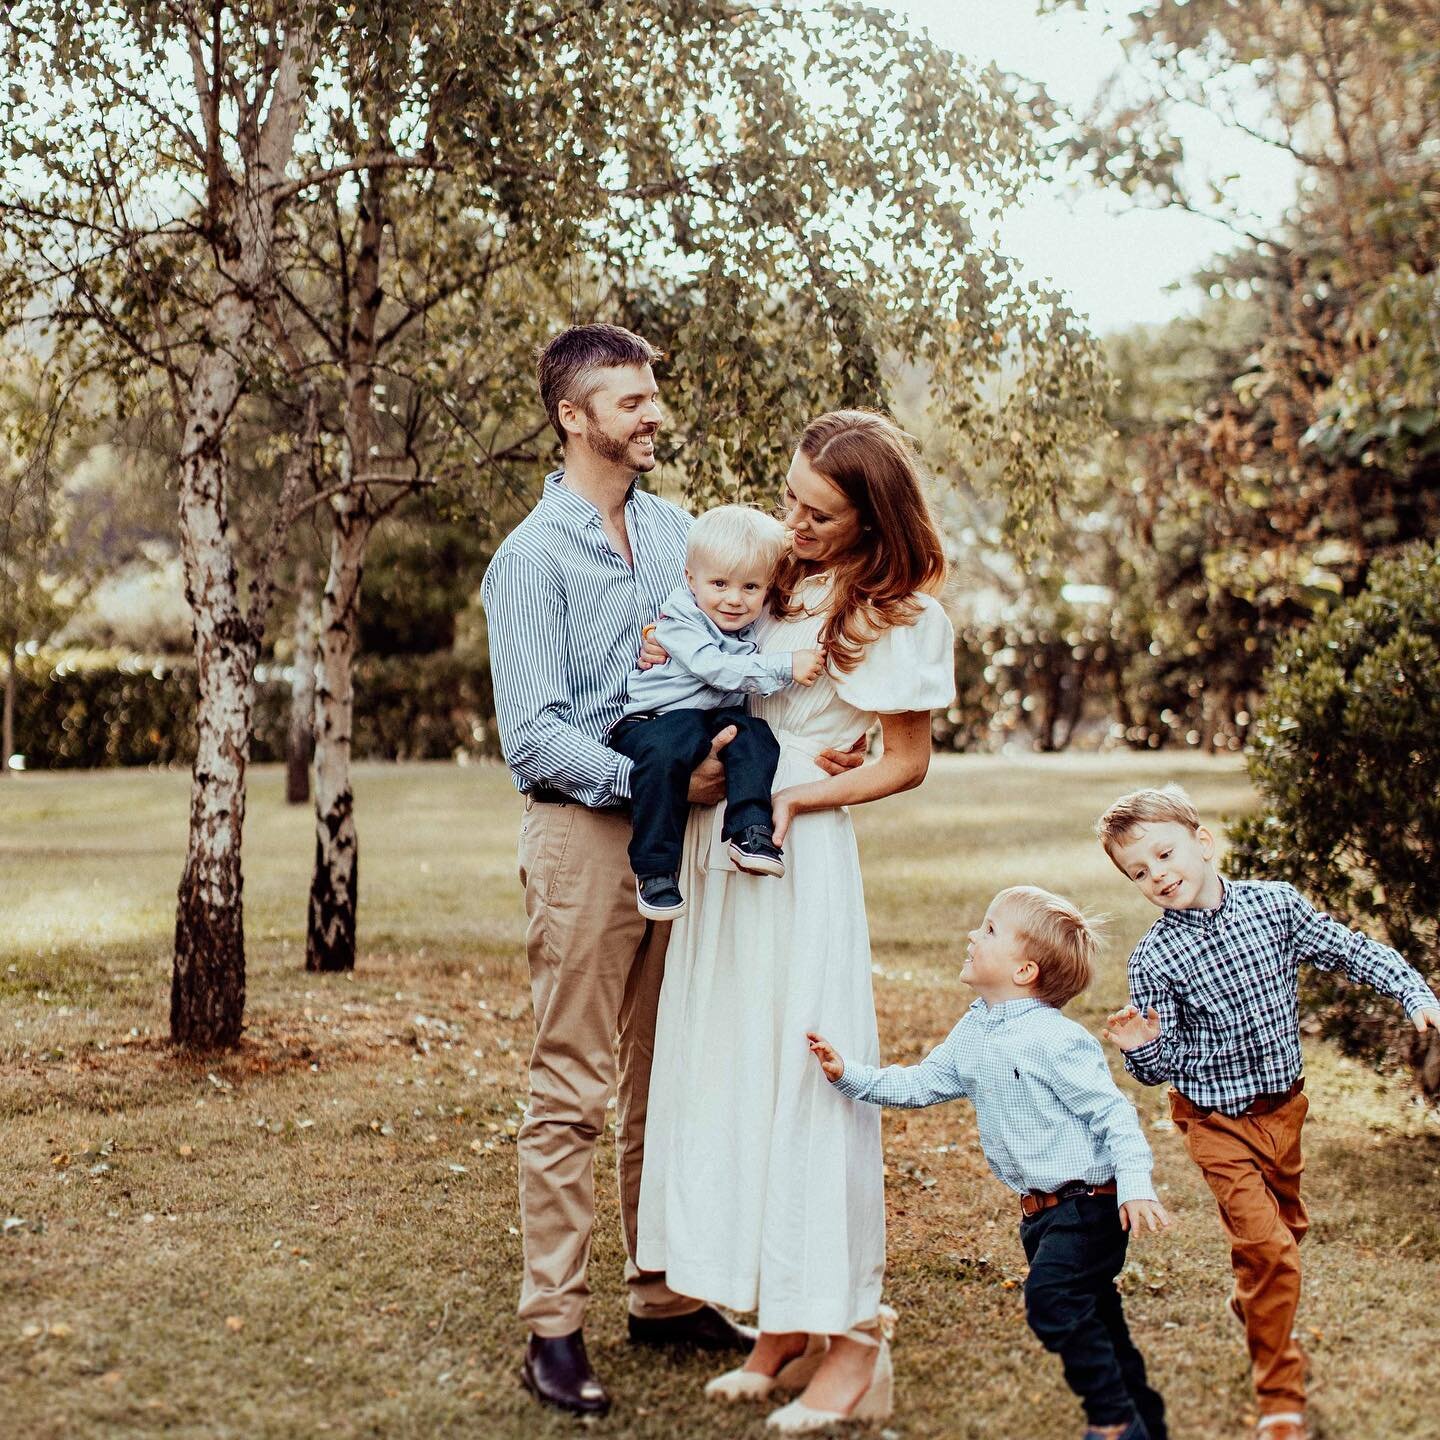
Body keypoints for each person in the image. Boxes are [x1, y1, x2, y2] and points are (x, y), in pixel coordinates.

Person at [636, 410, 956, 1433]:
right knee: (736, 1072)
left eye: (816, 512)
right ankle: (778, 1323)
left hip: (797, 861)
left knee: (809, 1084)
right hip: (726, 859)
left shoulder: (902, 616)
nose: (793, 522)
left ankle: (853, 1341)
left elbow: (904, 762)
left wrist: (796, 800)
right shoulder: (783, 579)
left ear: (872, 515)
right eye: (789, 500)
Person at [480, 323, 747, 1416]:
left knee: (668, 1072)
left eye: (652, 398)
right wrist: (656, 788)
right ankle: (554, 1325)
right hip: (586, 837)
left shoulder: (682, 531)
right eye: (629, 402)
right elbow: (533, 737)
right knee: (574, 1082)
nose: (651, 416)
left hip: (683, 835)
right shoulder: (529, 558)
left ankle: (664, 1292)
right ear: (572, 416)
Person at [1095, 784, 1440, 1440]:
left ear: (1203, 843)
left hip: (1284, 1112)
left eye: (1165, 854)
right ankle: (1280, 1395)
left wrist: (1410, 988)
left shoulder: (1275, 907)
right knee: (1268, 1249)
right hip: (1213, 1122)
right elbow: (1156, 1067)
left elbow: (1350, 950)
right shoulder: (1155, 959)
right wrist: (1141, 1048)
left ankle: (1256, 1299)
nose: (1157, 874)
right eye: (1139, 871)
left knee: (1284, 1239)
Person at [808, 886, 1171, 1440]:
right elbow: (924, 1083)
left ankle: (1115, 1421)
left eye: (990, 930)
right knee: (1099, 1320)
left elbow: (1114, 1115)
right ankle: (1147, 1421)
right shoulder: (976, 1026)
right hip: (1042, 1216)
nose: (973, 936)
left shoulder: (1056, 1039)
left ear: (1024, 970)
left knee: (1051, 1301)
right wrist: (848, 1075)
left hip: (1089, 1208)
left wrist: (1136, 1186)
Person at [611, 503, 825, 920]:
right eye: (720, 584)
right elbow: (717, 670)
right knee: (668, 753)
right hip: (652, 722)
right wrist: (787, 666)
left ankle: (750, 831)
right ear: (691, 579)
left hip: (703, 722)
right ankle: (655, 870)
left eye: (750, 587)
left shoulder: (746, 622)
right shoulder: (679, 620)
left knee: (756, 736)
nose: (734, 599)